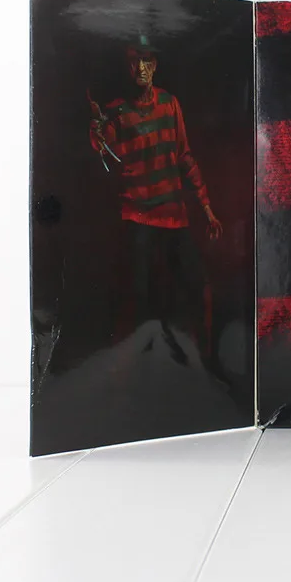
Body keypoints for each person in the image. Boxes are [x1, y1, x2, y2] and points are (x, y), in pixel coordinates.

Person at [89, 35, 222, 360]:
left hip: (173, 214)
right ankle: (143, 366)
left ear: (155, 65)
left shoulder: (169, 103)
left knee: (196, 285)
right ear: (127, 64)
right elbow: (105, 155)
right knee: (141, 298)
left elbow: (184, 156)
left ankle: (206, 359)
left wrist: (207, 208)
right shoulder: (116, 112)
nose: (141, 68)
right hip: (137, 217)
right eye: (134, 60)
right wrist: (97, 134)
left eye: (147, 60)